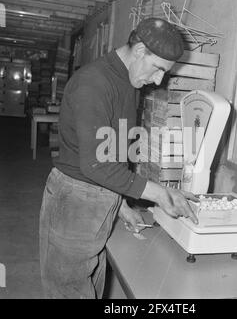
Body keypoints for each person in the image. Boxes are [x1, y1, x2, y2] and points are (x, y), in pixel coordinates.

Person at [39, 17, 199, 299]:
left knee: (93, 283)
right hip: (74, 201)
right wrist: (159, 193)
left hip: (99, 196)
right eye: (159, 69)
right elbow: (96, 164)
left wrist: (120, 203)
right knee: (69, 290)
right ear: (139, 51)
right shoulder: (94, 83)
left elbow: (111, 150)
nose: (159, 80)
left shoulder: (129, 82)